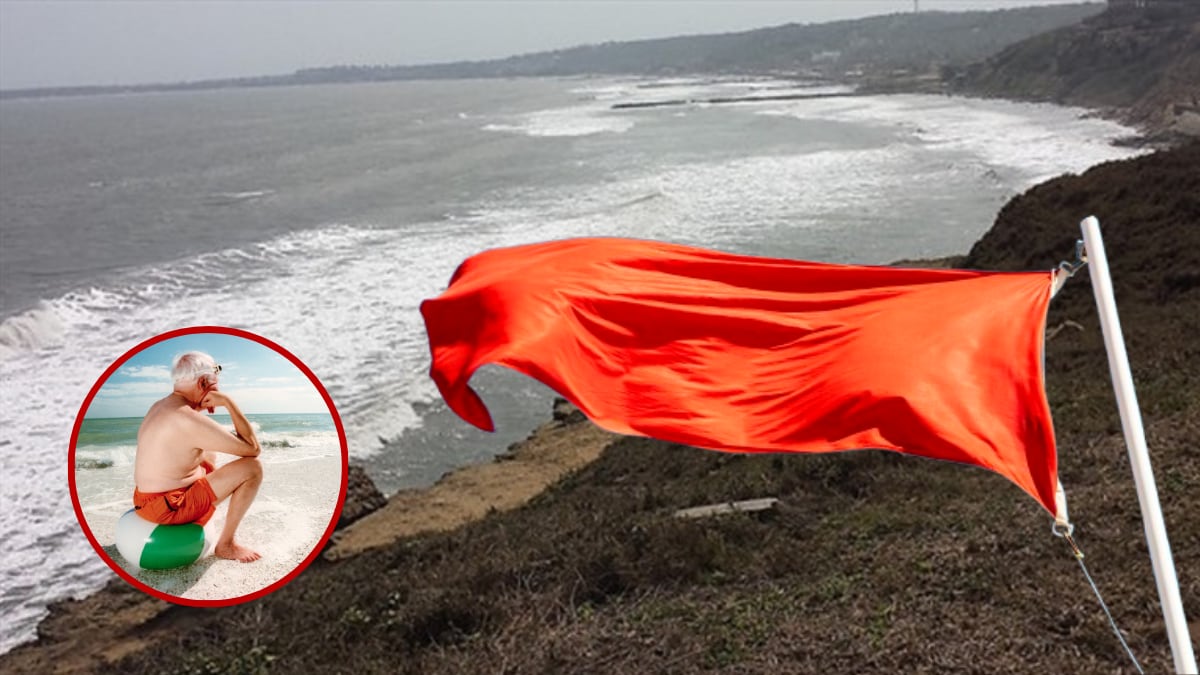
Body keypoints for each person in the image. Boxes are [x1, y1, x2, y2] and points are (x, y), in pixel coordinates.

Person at [132, 351, 264, 563]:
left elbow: (181, 443)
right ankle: (226, 545)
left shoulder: (159, 406)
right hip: (169, 508)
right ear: (203, 381)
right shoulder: (188, 419)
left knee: (207, 451)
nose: (218, 388)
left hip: (144, 500)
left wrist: (197, 406)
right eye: (216, 381)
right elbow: (252, 448)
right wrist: (229, 403)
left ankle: (204, 505)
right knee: (252, 468)